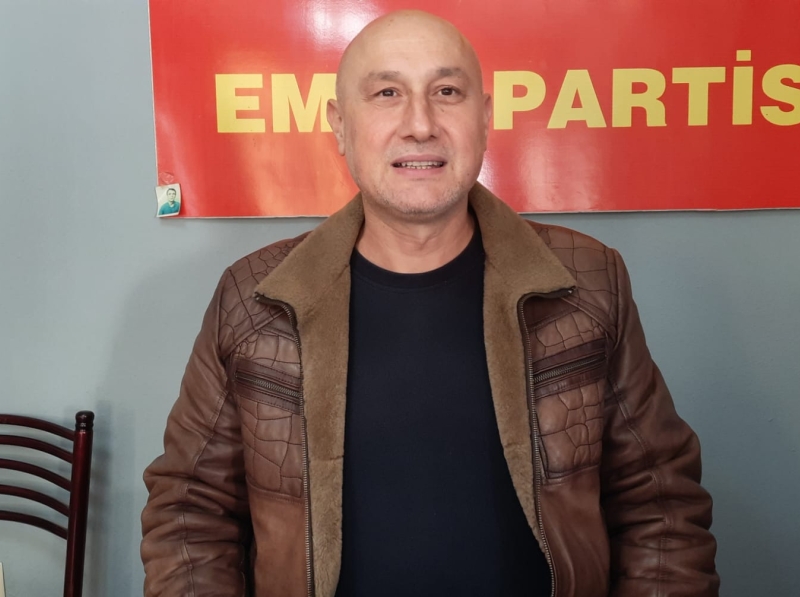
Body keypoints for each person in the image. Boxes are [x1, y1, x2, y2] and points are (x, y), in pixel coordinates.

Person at [140, 10, 718, 597]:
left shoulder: (588, 281)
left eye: (446, 92)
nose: (420, 125)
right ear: (339, 125)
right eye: (387, 93)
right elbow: (189, 510)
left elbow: (661, 505)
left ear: (485, 119)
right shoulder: (254, 297)